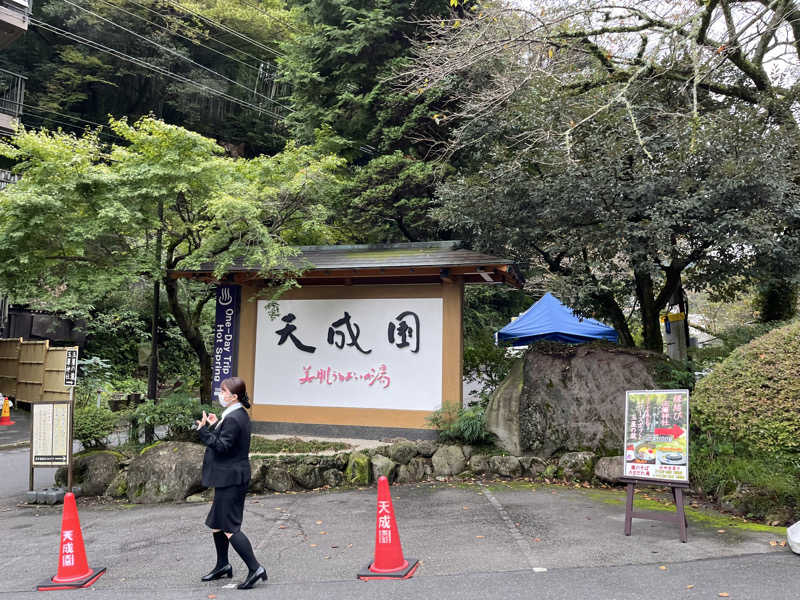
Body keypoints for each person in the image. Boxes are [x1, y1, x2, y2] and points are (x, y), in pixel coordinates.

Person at [196, 376, 267, 590]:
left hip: (232, 479)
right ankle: (223, 565)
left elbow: (223, 446)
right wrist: (214, 425)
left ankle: (255, 568)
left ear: (234, 396)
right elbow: (229, 440)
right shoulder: (234, 415)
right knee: (217, 524)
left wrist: (203, 431)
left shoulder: (235, 417)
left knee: (229, 527)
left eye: (223, 390)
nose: (221, 393)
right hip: (229, 476)